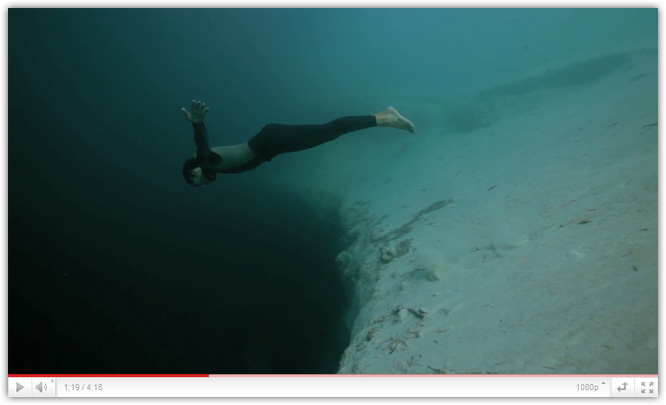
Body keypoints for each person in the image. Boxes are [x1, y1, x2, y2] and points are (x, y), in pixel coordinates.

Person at [181, 100, 416, 187]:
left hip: (270, 141)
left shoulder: (205, 159)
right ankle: (384, 118)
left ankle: (385, 117)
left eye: (196, 182)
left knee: (328, 131)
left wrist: (198, 124)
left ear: (194, 171)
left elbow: (202, 146)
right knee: (328, 132)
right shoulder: (213, 167)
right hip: (273, 144)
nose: (202, 184)